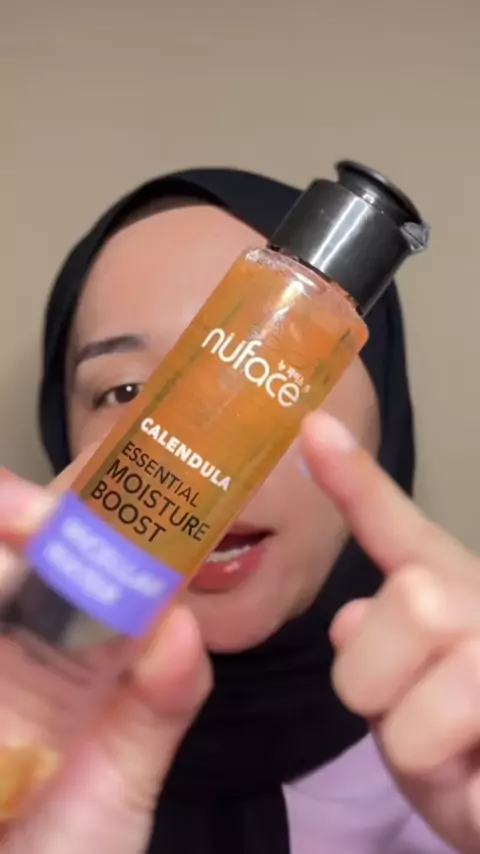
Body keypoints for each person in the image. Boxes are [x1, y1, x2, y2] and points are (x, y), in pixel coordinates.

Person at [1, 168, 480, 854]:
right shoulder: (20, 730)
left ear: (386, 427)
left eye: (279, 381)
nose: (208, 454)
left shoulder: (452, 785)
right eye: (125, 390)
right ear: (61, 430)